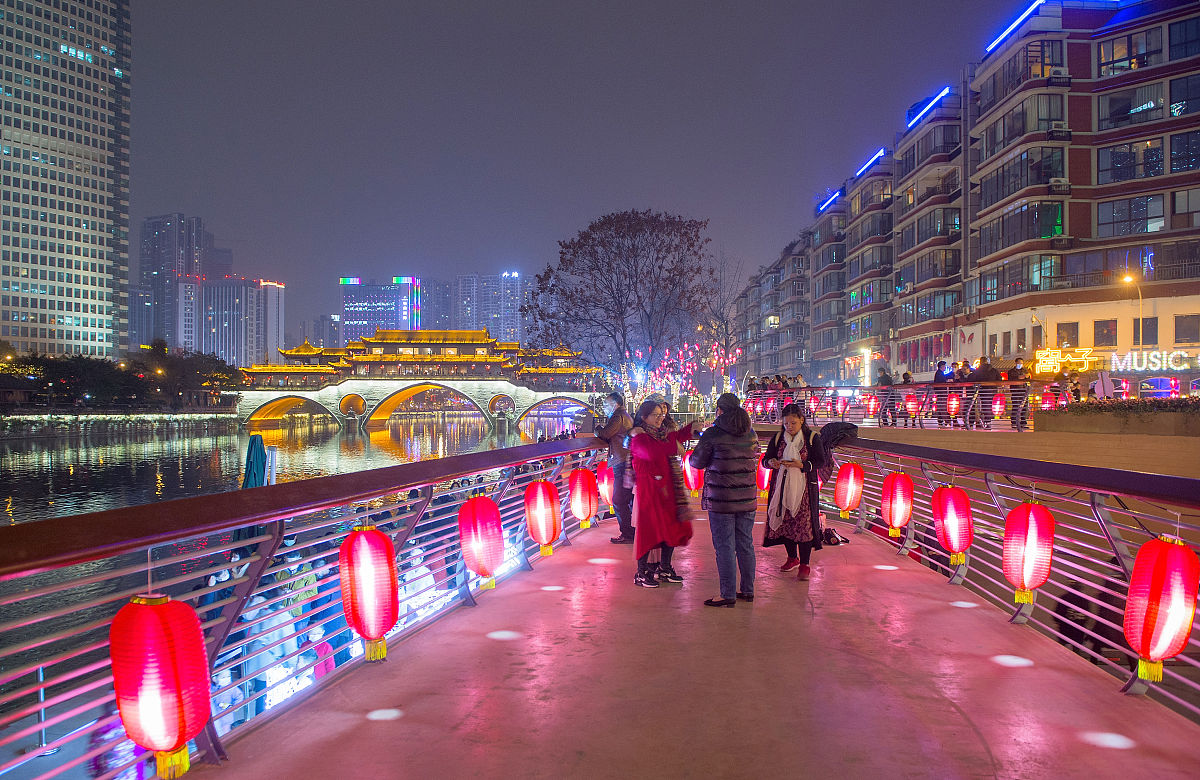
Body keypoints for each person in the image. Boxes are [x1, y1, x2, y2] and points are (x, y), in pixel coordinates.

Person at [689, 392, 759, 607]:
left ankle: (727, 594)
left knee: (725, 546)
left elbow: (696, 462)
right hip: (747, 498)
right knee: (745, 544)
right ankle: (747, 590)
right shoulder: (751, 433)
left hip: (721, 500)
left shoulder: (713, 434)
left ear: (719, 410)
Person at [627, 399, 699, 587]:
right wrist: (674, 444)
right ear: (644, 417)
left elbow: (672, 438)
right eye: (656, 415)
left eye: (662, 415)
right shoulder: (640, 437)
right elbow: (652, 453)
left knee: (671, 527)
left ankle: (664, 568)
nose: (660, 418)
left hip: (667, 490)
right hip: (650, 491)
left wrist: (690, 429)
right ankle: (641, 573)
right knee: (648, 531)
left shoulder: (659, 435)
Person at [761, 404, 827, 581]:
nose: (789, 427)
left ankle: (805, 564)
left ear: (802, 421)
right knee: (787, 522)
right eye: (786, 423)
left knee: (804, 525)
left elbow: (821, 461)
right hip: (781, 486)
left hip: (804, 489)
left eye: (793, 423)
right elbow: (765, 460)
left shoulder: (812, 438)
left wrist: (802, 465)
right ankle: (792, 557)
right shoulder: (778, 439)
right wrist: (772, 463)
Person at [594, 392, 635, 544]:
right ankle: (632, 531)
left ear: (615, 404)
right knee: (627, 498)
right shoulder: (625, 415)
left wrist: (597, 429)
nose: (604, 408)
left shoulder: (618, 416)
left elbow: (605, 434)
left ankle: (628, 533)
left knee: (618, 500)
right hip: (626, 461)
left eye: (606, 405)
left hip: (622, 462)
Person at [1008, 356, 1031, 431]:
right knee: (1016, 406)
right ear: (1016, 363)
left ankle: (1023, 423)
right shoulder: (1011, 371)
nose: (1020, 364)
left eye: (1021, 363)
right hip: (1015, 391)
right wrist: (1019, 377)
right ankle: (1014, 422)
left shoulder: (1025, 370)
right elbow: (1011, 379)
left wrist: (1027, 376)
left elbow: (1029, 379)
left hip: (1024, 390)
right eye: (1019, 363)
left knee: (1024, 407)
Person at [932, 360, 954, 427]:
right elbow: (944, 378)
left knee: (941, 407)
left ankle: (941, 421)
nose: (945, 367)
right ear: (942, 366)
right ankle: (946, 421)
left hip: (940, 393)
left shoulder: (939, 373)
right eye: (945, 366)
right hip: (941, 393)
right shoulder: (939, 374)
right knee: (943, 407)